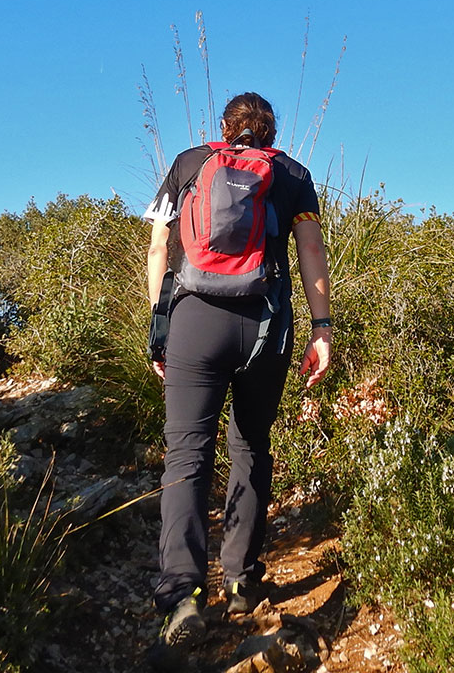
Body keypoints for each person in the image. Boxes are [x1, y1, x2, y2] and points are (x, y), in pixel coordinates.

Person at [143, 92, 334, 649]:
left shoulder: (187, 164)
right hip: (266, 327)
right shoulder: (292, 175)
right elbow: (311, 252)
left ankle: (181, 594)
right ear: (272, 132)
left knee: (186, 454)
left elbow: (159, 246)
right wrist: (322, 329)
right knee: (251, 445)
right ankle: (244, 583)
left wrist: (161, 330)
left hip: (194, 320)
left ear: (224, 128)